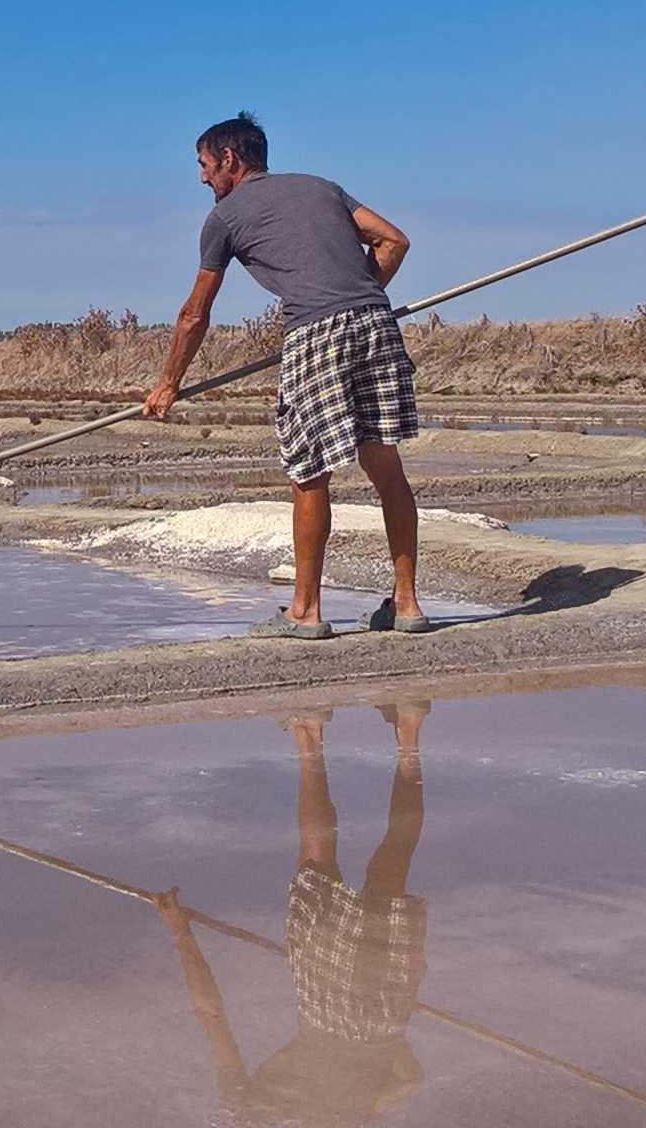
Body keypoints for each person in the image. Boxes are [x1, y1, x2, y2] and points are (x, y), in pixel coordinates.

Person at [145, 112, 425, 639]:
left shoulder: (224, 219)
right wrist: (356, 295)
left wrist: (167, 384)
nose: (203, 178)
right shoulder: (322, 188)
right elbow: (394, 241)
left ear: (229, 159)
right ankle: (407, 605)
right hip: (376, 322)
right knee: (385, 466)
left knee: (309, 472)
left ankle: (305, 612)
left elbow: (194, 314)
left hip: (315, 334)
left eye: (204, 166)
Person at [155, 703, 434, 1126]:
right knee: (316, 865)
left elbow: (409, 1079)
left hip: (383, 1016)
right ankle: (309, 735)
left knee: (393, 864)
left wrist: (386, 1048)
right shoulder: (242, 1113)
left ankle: (410, 730)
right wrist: (181, 934)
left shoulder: (346, 1120)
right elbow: (211, 1014)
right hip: (324, 1011)